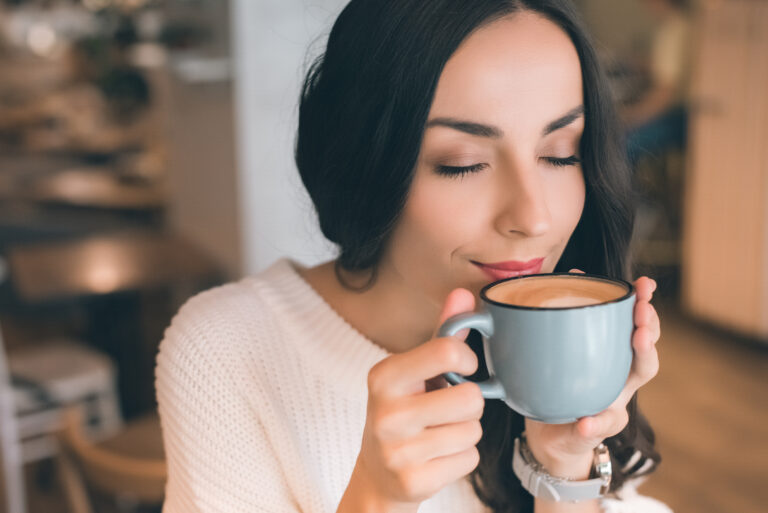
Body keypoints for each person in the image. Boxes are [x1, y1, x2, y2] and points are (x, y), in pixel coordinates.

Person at [155, 1, 670, 512]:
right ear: (367, 166)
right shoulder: (226, 350)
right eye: (462, 164)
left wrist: (561, 463)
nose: (533, 219)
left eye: (561, 154)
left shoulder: (566, 342)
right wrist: (376, 500)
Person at [623, 0, 692, 166]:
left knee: (622, 144)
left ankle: (619, 192)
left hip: (678, 116)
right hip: (681, 112)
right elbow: (670, 68)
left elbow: (665, 94)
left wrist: (631, 116)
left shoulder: (675, 31)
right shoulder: (684, 25)